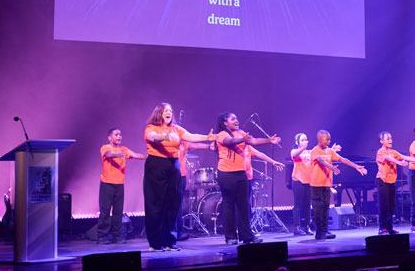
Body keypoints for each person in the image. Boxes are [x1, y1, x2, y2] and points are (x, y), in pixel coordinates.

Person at [144, 102, 214, 252]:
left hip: (174, 165)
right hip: (156, 165)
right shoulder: (151, 128)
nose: (169, 113)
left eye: (170, 110)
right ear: (159, 113)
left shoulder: (176, 129)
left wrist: (208, 137)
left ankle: (169, 241)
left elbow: (191, 136)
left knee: (173, 204)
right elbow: (153, 137)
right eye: (165, 111)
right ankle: (155, 243)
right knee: (156, 204)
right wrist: (164, 135)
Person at [214, 112, 283, 245]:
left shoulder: (241, 133)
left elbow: (253, 141)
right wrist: (243, 139)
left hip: (241, 173)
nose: (236, 121)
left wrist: (269, 140)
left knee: (244, 206)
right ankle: (230, 237)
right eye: (233, 119)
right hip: (226, 174)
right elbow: (229, 142)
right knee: (229, 206)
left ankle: (247, 236)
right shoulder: (222, 134)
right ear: (225, 123)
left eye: (237, 118)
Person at [309, 129, 367, 240]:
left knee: (325, 207)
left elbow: (342, 159)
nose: (329, 141)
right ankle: (319, 232)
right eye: (327, 139)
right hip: (316, 185)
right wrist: (332, 167)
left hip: (326, 185)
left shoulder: (330, 151)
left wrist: (356, 166)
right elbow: (321, 161)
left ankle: (325, 230)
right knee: (318, 209)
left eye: (330, 139)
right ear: (320, 140)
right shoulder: (315, 150)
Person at [97, 127, 145, 244]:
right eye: (116, 134)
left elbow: (135, 155)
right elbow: (108, 155)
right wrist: (119, 154)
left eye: (120, 135)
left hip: (119, 185)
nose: (119, 137)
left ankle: (116, 236)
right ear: (110, 137)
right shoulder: (105, 147)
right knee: (105, 211)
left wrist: (149, 156)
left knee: (118, 212)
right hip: (107, 184)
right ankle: (102, 236)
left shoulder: (124, 149)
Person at [375, 131, 415, 235]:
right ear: (381, 141)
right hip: (382, 181)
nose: (390, 140)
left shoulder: (393, 152)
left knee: (391, 205)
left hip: (391, 182)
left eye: (391, 138)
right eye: (387, 139)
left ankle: (389, 228)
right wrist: (399, 162)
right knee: (383, 205)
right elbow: (388, 158)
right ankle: (382, 228)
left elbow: (404, 157)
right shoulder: (380, 151)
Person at [290, 133, 312, 236]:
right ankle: (297, 228)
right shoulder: (294, 151)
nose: (305, 141)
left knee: (308, 205)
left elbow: (320, 154)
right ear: (297, 142)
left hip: (308, 182)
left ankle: (307, 226)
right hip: (298, 181)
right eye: (302, 140)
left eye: (306, 139)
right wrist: (302, 148)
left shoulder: (309, 152)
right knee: (297, 204)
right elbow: (294, 155)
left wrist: (332, 150)